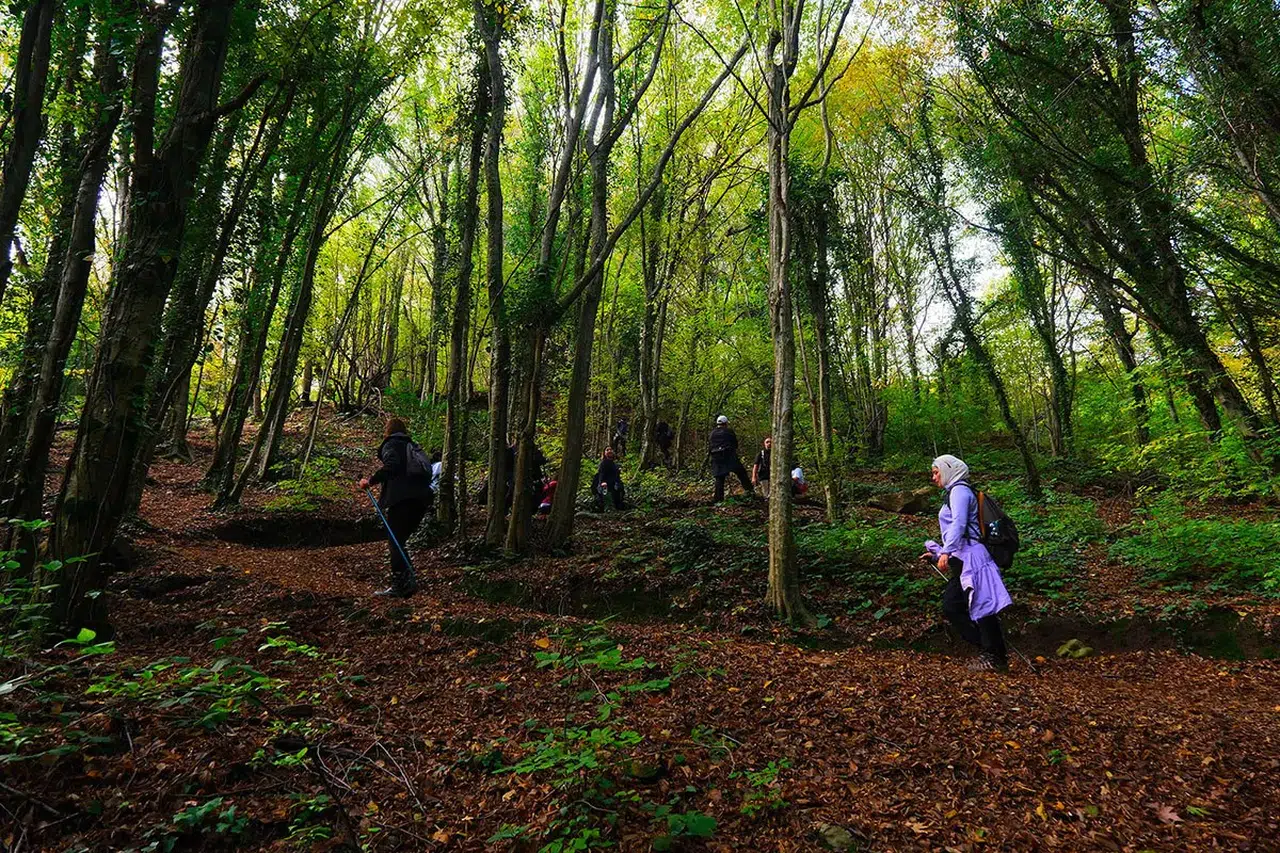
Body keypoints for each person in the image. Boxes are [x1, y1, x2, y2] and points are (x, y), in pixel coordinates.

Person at [920, 454, 1013, 672]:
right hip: (963, 558)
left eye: (936, 472)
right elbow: (959, 530)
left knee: (981, 605)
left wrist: (946, 551)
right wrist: (937, 555)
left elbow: (959, 524)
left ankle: (994, 656)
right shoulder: (955, 492)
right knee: (954, 606)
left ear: (948, 470)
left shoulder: (959, 491)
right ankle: (990, 650)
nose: (933, 478)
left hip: (973, 559)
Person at [358, 418, 433, 598]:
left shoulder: (392, 444)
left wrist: (370, 481)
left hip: (402, 500)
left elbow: (392, 466)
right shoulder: (412, 446)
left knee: (395, 542)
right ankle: (408, 581)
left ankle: (401, 585)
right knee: (400, 540)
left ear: (388, 431)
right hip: (421, 499)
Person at [708, 415, 753, 503]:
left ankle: (718, 499)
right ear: (726, 423)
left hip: (716, 458)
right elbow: (735, 444)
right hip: (729, 456)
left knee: (719, 478)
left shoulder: (712, 433)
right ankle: (750, 492)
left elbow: (710, 446)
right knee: (741, 473)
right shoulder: (728, 431)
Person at [592, 447, 625, 511]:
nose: (609, 451)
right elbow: (601, 474)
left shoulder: (614, 464)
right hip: (605, 485)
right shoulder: (603, 463)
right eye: (607, 450)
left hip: (614, 485)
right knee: (606, 493)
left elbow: (617, 476)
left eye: (611, 450)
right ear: (604, 453)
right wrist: (602, 482)